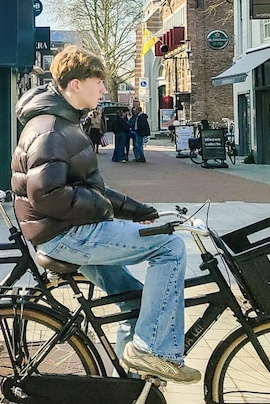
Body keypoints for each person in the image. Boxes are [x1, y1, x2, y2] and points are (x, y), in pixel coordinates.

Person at [11, 45, 199, 384]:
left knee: (134, 302)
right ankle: (153, 350)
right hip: (66, 235)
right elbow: (47, 195)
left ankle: (129, 388)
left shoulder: (65, 124)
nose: (103, 89)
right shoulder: (51, 129)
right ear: (74, 85)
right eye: (97, 81)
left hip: (68, 232)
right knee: (169, 247)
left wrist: (134, 209)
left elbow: (90, 187)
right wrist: (103, 209)